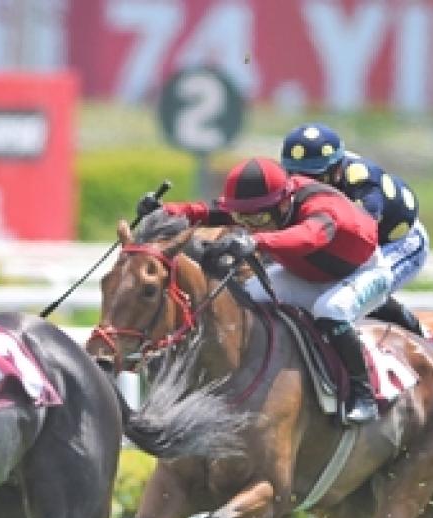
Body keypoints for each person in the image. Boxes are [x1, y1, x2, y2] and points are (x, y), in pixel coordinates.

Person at [142, 155, 392, 424]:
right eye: (241, 217)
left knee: (330, 309)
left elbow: (309, 236)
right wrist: (166, 211)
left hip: (363, 272)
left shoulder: (323, 208)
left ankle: (362, 391)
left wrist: (255, 240)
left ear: (284, 203)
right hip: (306, 274)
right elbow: (206, 211)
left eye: (257, 218)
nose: (248, 223)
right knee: (246, 297)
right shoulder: (264, 205)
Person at [279, 123, 427, 337]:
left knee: (351, 295)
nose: (304, 184)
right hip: (351, 241)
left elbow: (359, 237)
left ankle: (419, 334)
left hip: (398, 243)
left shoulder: (363, 181)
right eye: (295, 175)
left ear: (337, 169)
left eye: (316, 178)